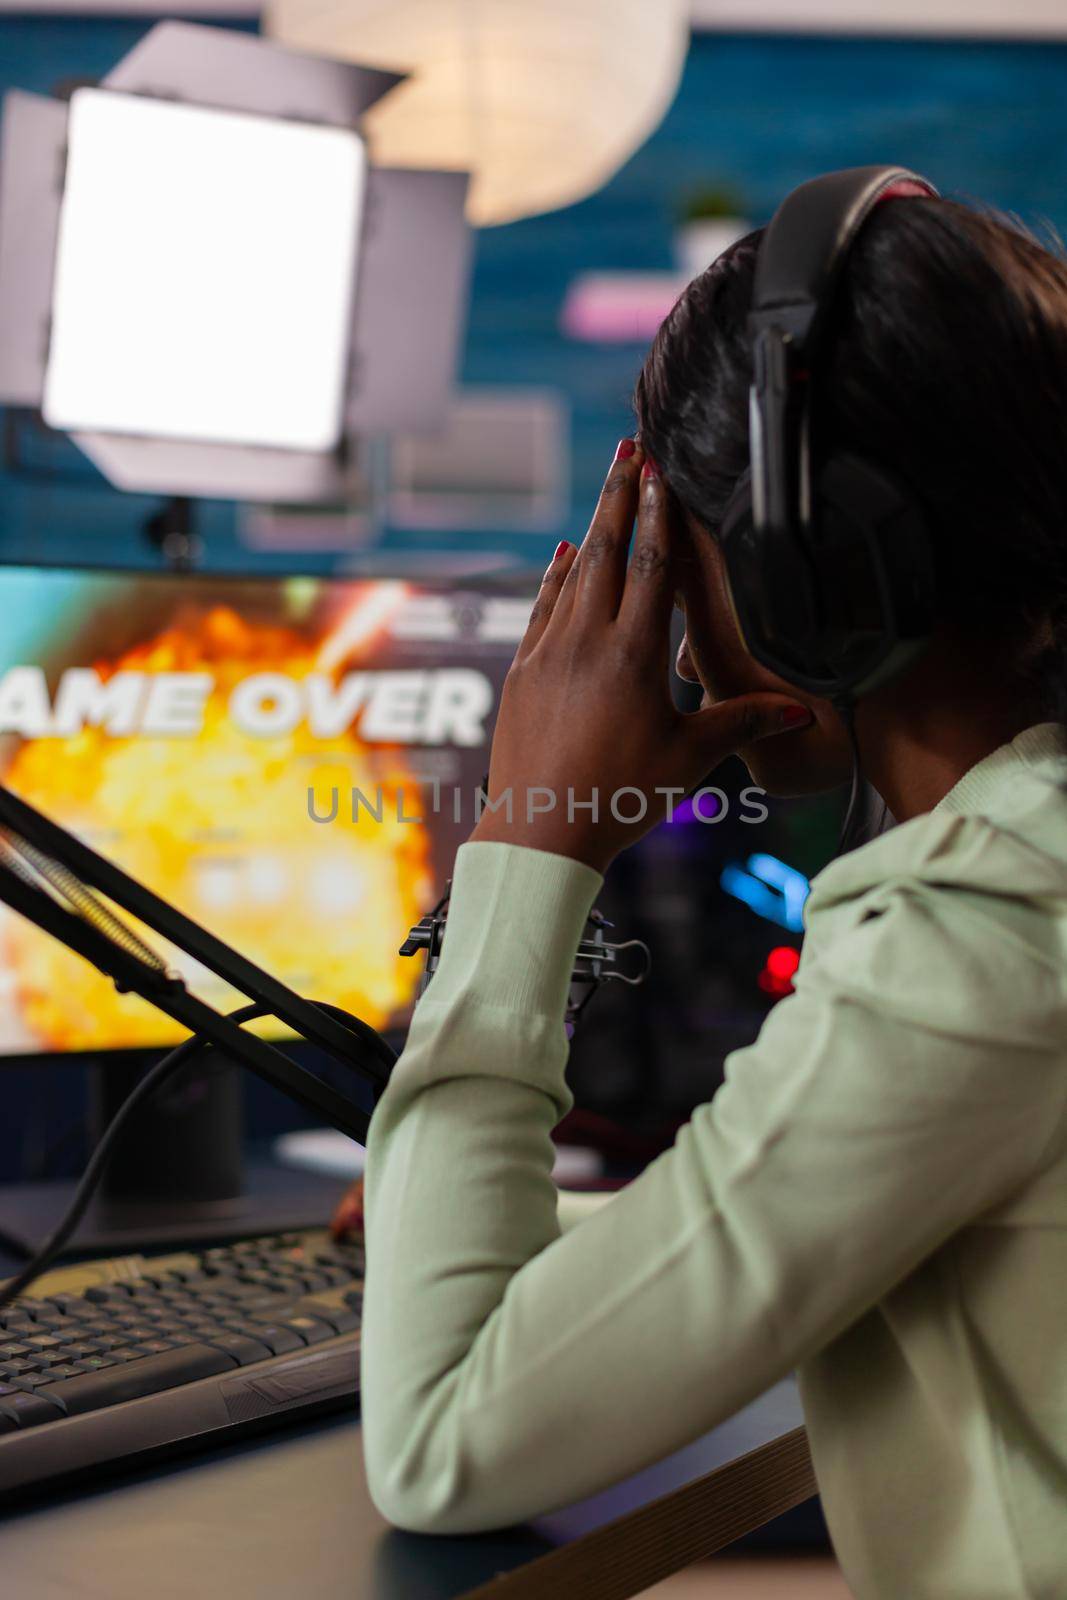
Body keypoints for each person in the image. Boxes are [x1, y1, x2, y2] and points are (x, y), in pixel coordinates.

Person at [351, 188, 1067, 1599]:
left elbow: (440, 1439)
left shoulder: (975, 933)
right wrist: (524, 1231)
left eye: (676, 551)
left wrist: (534, 836)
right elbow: (885, 1185)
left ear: (812, 578)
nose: (660, 613)